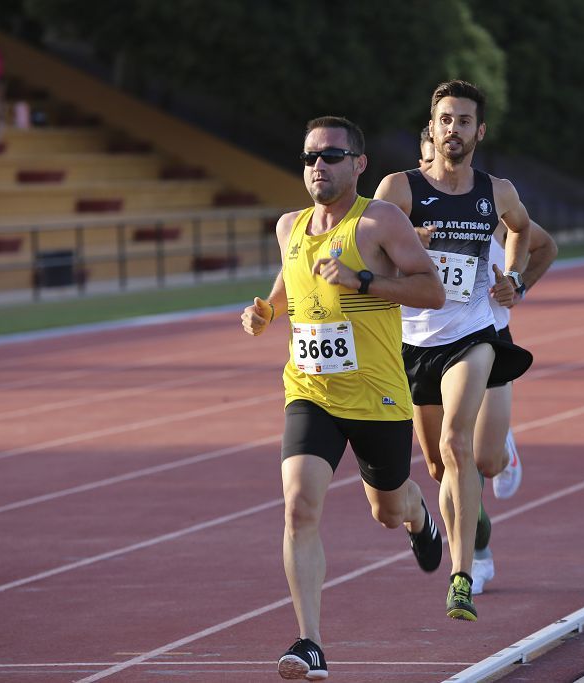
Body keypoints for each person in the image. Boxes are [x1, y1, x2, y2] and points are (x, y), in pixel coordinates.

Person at [241, 115, 446, 680]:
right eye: (309, 156)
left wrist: (362, 282)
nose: (317, 166)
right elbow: (289, 287)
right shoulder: (289, 227)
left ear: (359, 164)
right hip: (309, 391)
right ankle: (310, 643)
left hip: (377, 394)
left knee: (386, 509)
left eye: (331, 156)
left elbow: (431, 290)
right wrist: (265, 312)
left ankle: (417, 514)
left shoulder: (380, 221)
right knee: (299, 506)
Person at [375, 80, 535, 621]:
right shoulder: (399, 189)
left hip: (473, 335)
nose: (454, 129)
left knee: (457, 444)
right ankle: (473, 535)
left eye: (464, 121)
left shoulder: (498, 192)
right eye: (445, 119)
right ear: (433, 124)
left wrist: (513, 276)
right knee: (440, 467)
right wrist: (405, 247)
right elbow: (364, 247)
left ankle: (461, 575)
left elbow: (522, 232)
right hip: (415, 341)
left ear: (479, 131)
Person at [416, 128, 558, 594]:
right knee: (442, 466)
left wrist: (517, 284)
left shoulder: (490, 212)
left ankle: (502, 448)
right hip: (429, 345)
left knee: (484, 461)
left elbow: (545, 246)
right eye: (425, 166)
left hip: (488, 340)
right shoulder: (402, 214)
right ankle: (475, 552)